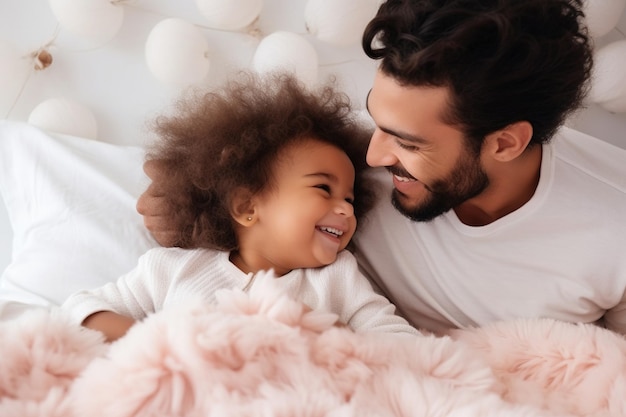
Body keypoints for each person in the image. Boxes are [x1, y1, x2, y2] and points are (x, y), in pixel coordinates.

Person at [138, 0, 626, 335]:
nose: (372, 157)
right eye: (377, 120)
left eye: (408, 143)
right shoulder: (331, 161)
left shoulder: (613, 224)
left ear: (505, 142)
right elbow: (185, 188)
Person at [62, 72, 420, 342]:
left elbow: (398, 341)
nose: (344, 210)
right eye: (323, 188)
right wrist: (153, 345)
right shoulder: (174, 269)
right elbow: (79, 310)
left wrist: (338, 338)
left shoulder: (337, 278)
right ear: (247, 206)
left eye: (349, 198)